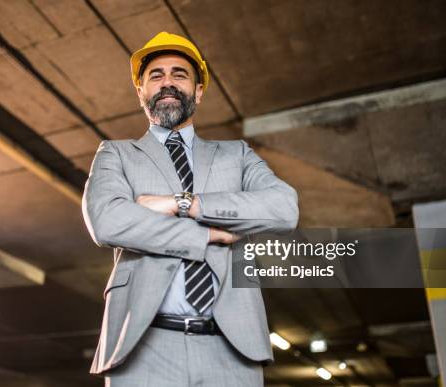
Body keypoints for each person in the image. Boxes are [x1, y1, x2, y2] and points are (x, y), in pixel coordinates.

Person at [82, 31, 299, 387]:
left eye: (179, 74)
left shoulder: (237, 155)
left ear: (198, 91)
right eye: (156, 75)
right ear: (141, 92)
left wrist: (183, 204)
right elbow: (108, 222)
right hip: (144, 348)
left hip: (232, 348)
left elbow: (284, 208)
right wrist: (209, 234)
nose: (167, 82)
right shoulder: (115, 154)